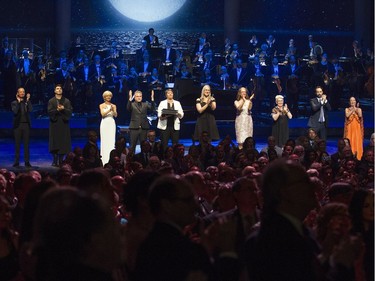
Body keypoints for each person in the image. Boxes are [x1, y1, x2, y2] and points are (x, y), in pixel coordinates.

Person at [245, 159, 363, 281]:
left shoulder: (302, 230)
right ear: (285, 192)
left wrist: (326, 254)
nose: (311, 186)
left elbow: (307, 271)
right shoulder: (269, 240)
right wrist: (341, 263)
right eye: (304, 181)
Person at [48, 84, 72, 167]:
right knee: (55, 141)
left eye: (60, 89)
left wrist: (63, 109)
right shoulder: (51, 101)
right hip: (54, 123)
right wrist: (57, 110)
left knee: (63, 142)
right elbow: (50, 112)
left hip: (63, 123)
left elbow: (70, 111)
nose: (59, 90)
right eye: (57, 89)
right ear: (54, 90)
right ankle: (54, 160)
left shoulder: (66, 101)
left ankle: (61, 160)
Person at [11, 87, 33, 167]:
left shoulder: (26, 102)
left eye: (23, 91)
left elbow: (31, 110)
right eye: (20, 92)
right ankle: (16, 161)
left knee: (26, 145)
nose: (22, 93)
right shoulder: (14, 103)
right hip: (18, 126)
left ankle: (27, 161)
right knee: (17, 144)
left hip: (26, 125)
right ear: (17, 93)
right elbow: (15, 112)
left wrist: (28, 100)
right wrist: (18, 102)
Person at [99, 90, 117, 165]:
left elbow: (115, 115)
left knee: (111, 140)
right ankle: (104, 159)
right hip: (105, 123)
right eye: (107, 96)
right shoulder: (101, 105)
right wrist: (109, 110)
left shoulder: (114, 105)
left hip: (111, 123)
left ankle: (111, 159)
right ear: (104, 97)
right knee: (104, 141)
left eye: (109, 96)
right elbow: (103, 114)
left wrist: (113, 110)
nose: (108, 97)